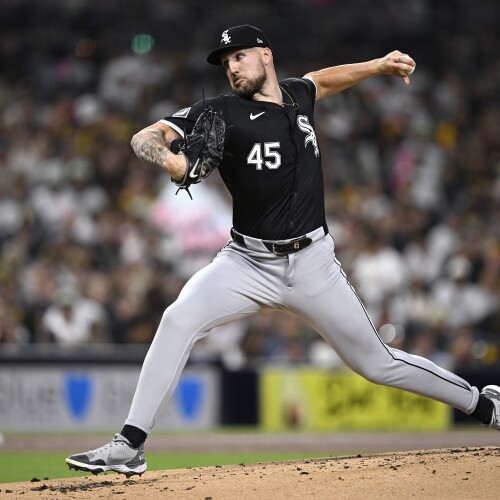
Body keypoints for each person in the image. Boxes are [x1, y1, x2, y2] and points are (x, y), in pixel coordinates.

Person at [65, 25, 500, 477]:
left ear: (266, 55)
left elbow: (322, 80)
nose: (232, 67)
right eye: (226, 61)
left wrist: (376, 66)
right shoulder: (220, 111)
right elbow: (144, 136)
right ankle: (129, 444)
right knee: (177, 319)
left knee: (378, 364)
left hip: (313, 264)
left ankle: (483, 405)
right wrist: (172, 159)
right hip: (246, 262)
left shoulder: (296, 96)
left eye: (239, 56)